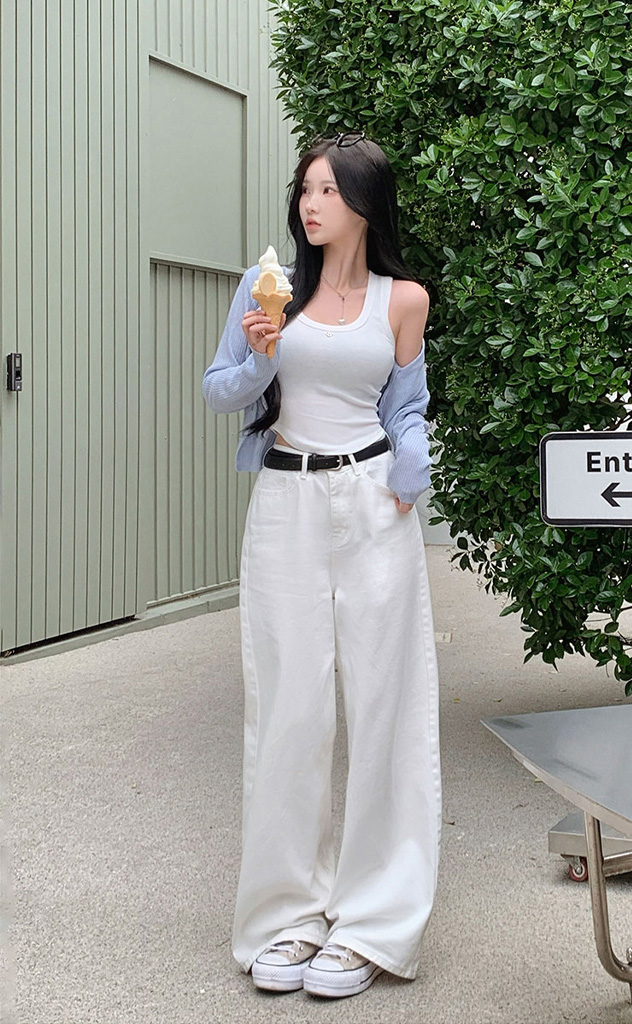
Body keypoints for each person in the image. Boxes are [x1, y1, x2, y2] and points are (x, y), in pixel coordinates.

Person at [202, 133, 441, 1000]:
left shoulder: (403, 299)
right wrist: (263, 354)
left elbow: (406, 408)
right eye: (305, 189)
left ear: (365, 203)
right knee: (289, 709)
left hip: (374, 503)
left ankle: (373, 920)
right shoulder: (267, 288)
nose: (311, 205)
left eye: (329, 191)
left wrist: (413, 470)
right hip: (286, 502)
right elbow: (219, 389)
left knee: (386, 707)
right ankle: (286, 917)